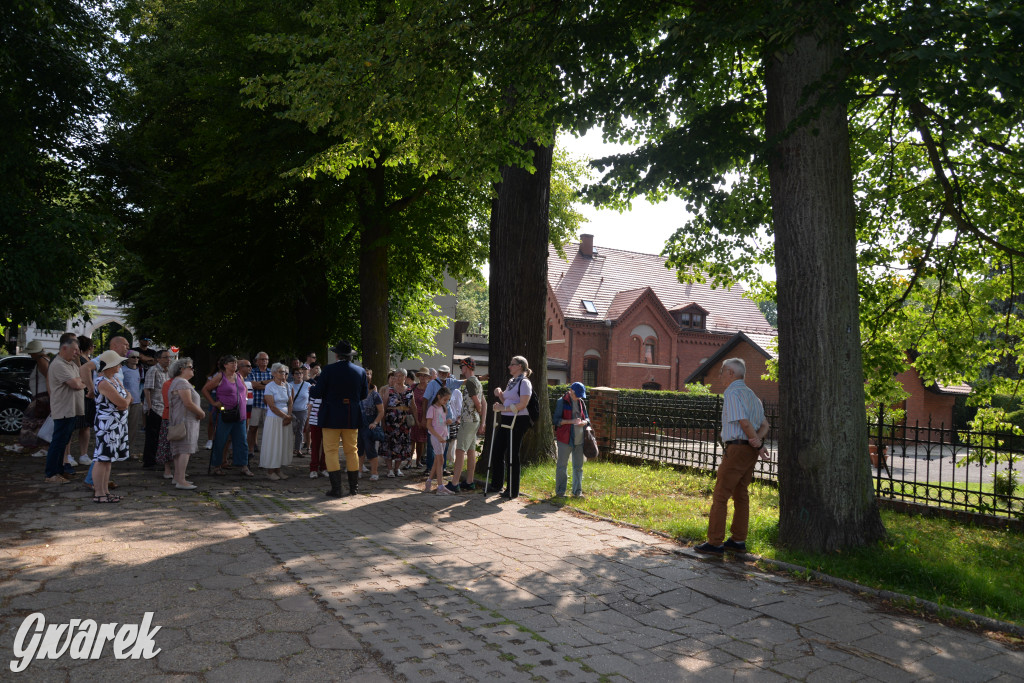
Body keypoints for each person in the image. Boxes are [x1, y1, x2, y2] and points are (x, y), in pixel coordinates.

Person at [695, 358, 771, 554]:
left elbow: (744, 423)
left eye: (722, 371)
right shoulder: (752, 395)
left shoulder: (732, 392)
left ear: (731, 373)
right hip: (749, 452)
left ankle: (715, 542)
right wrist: (757, 442)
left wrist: (756, 441)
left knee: (721, 495)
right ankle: (738, 541)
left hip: (736, 448)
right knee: (741, 495)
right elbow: (765, 426)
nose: (720, 375)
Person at [309, 340, 367, 497]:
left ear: (336, 355)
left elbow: (317, 393)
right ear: (350, 356)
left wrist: (312, 389)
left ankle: (337, 488)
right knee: (352, 450)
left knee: (331, 451)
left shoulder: (328, 370)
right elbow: (364, 395)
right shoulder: (360, 371)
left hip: (332, 415)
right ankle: (354, 488)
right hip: (351, 415)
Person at [486, 356, 533, 499]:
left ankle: (513, 489)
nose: (509, 367)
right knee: (498, 450)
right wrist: (500, 394)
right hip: (507, 418)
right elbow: (507, 401)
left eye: (512, 364)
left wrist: (503, 407)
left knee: (512, 454)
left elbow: (523, 404)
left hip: (518, 420)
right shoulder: (512, 381)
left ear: (519, 366)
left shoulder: (524, 383)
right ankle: (497, 484)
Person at [202, 355, 254, 477]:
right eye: (231, 363)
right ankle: (216, 465)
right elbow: (205, 389)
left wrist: (243, 400)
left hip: (239, 414)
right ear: (225, 365)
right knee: (220, 440)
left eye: (235, 363)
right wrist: (214, 403)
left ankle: (243, 465)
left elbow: (244, 389)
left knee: (242, 441)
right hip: (224, 413)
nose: (234, 365)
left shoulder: (239, 376)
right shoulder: (220, 376)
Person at [91, 349, 131, 502]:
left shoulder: (114, 380)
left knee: (108, 459)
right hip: (107, 425)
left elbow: (126, 397)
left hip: (116, 424)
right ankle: (99, 493)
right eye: (118, 363)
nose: (120, 366)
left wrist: (125, 400)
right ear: (110, 365)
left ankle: (105, 491)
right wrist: (126, 400)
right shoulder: (103, 382)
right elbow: (122, 402)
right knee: (102, 458)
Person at [43, 336, 85, 484]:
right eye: (74, 350)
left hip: (71, 409)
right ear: (63, 348)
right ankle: (51, 474)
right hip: (63, 409)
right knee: (58, 442)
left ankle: (59, 470)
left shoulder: (70, 363)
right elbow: (76, 384)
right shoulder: (59, 364)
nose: (77, 353)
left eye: (78, 350)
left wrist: (81, 380)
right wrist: (81, 382)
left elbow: (82, 376)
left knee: (64, 441)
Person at [167, 358, 205, 489]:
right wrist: (201, 413)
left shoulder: (178, 382)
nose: (192, 369)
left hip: (182, 420)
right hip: (186, 421)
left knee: (179, 450)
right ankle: (181, 480)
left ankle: (178, 477)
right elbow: (188, 403)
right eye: (190, 367)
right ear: (181, 369)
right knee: (185, 449)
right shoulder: (182, 383)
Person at [449, 358, 485, 492]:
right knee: (470, 452)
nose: (461, 369)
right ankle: (469, 481)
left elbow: (478, 403)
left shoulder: (470, 382)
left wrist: (478, 411)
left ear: (468, 367)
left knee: (459, 451)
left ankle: (454, 483)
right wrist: (481, 420)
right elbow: (482, 403)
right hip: (473, 420)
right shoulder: (477, 382)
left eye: (462, 366)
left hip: (468, 421)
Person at [553, 382, 590, 498]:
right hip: (565, 439)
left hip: (579, 440)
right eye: (577, 394)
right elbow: (556, 420)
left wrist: (584, 422)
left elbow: (587, 418)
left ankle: (577, 492)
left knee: (578, 467)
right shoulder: (561, 401)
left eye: (580, 395)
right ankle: (560, 492)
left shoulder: (581, 402)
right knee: (562, 466)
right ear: (571, 391)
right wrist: (572, 421)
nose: (578, 397)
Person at [259, 363, 294, 480]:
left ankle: (278, 469)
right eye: (280, 372)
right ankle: (270, 471)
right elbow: (272, 406)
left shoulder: (287, 386)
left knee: (283, 444)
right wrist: (285, 417)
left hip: (285, 419)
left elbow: (290, 402)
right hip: (274, 419)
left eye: (284, 372)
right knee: (274, 444)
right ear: (273, 373)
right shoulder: (270, 386)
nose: (283, 374)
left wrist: (289, 415)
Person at [380, 369, 413, 478]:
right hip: (391, 423)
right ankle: (389, 469)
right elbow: (383, 407)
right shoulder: (389, 390)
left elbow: (414, 407)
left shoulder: (409, 390)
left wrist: (417, 420)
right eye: (396, 375)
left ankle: (397, 468)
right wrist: (383, 422)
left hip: (403, 423)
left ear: (405, 377)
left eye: (401, 376)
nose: (398, 378)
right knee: (389, 445)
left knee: (402, 445)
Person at [20, 340, 50, 455]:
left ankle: (40, 447)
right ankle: (33, 445)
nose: (30, 355)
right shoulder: (44, 359)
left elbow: (48, 377)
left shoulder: (42, 361)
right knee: (38, 422)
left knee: (30, 420)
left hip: (42, 396)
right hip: (42, 395)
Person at [142, 349, 170, 469]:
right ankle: (149, 461)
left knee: (161, 435)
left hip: (165, 407)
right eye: (165, 357)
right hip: (155, 406)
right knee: (152, 436)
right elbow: (147, 389)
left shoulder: (168, 372)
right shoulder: (153, 370)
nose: (168, 360)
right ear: (158, 359)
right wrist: (149, 406)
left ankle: (159, 458)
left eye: (169, 357)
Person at [73, 335, 96, 470]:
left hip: (89, 397)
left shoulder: (89, 360)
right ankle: (68, 455)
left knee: (86, 425)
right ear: (89, 347)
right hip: (80, 394)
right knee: (73, 426)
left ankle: (83, 453)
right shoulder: (79, 359)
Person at [425, 387, 454, 495]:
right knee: (441, 460)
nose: (446, 402)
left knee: (438, 460)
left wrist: (447, 422)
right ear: (439, 396)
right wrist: (438, 436)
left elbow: (441, 421)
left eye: (447, 400)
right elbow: (429, 425)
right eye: (445, 399)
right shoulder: (432, 408)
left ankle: (429, 482)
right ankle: (440, 486)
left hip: (443, 436)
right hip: (436, 437)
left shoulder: (443, 408)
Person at [357, 369, 384, 480]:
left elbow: (381, 411)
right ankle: (358, 471)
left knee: (370, 448)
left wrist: (375, 422)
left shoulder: (375, 395)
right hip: (359, 424)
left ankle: (374, 472)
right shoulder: (357, 392)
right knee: (359, 449)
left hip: (369, 425)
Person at [247, 352, 272, 459]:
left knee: (269, 430)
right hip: (255, 404)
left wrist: (260, 384)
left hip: (268, 405)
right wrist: (267, 384)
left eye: (266, 359)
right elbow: (252, 385)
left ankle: (267, 451)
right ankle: (250, 450)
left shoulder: (272, 372)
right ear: (256, 361)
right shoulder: (251, 371)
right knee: (252, 428)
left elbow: (273, 385)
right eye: (262, 359)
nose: (264, 361)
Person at [121, 352, 144, 459]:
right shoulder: (122, 370)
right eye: (133, 357)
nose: (136, 359)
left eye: (138, 357)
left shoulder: (140, 369)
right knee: (122, 427)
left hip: (136, 402)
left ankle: (129, 451)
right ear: (127, 358)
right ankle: (120, 450)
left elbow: (140, 385)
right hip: (124, 401)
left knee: (133, 428)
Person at [410, 367, 430, 468]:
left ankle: (418, 461)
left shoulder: (430, 388)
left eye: (425, 375)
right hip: (413, 416)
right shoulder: (413, 387)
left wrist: (425, 419)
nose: (422, 377)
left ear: (428, 377)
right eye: (421, 375)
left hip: (425, 417)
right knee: (411, 440)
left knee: (421, 441)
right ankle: (409, 461)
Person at [289, 367, 310, 457]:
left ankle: (298, 450)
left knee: (300, 431)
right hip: (291, 410)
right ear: (293, 375)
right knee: (289, 431)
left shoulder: (307, 385)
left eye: (301, 373)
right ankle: (288, 449)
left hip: (302, 411)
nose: (299, 375)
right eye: (297, 373)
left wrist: (309, 406)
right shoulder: (289, 385)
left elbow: (311, 398)